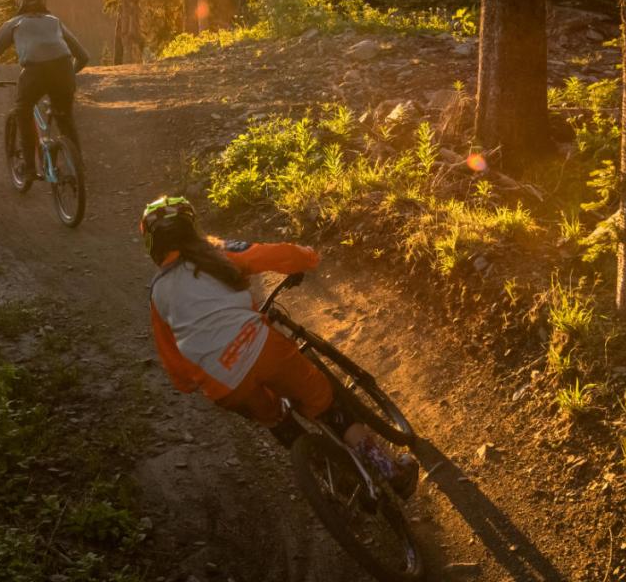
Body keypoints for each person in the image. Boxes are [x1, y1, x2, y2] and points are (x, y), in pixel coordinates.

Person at [141, 196, 418, 497]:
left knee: (277, 420)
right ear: (190, 225)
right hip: (262, 348)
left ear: (152, 244)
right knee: (327, 406)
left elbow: (175, 366)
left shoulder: (157, 294)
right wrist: (308, 257)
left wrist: (191, 382)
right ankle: (392, 472)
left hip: (223, 385)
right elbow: (270, 254)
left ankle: (338, 481)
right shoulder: (215, 252)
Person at [0, 0, 90, 179]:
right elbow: (83, 56)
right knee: (65, 118)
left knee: (23, 112)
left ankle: (29, 168)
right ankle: (78, 166)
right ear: (43, 2)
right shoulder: (55, 21)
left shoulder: (15, 23)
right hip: (63, 71)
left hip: (34, 74)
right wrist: (69, 74)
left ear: (20, 3)